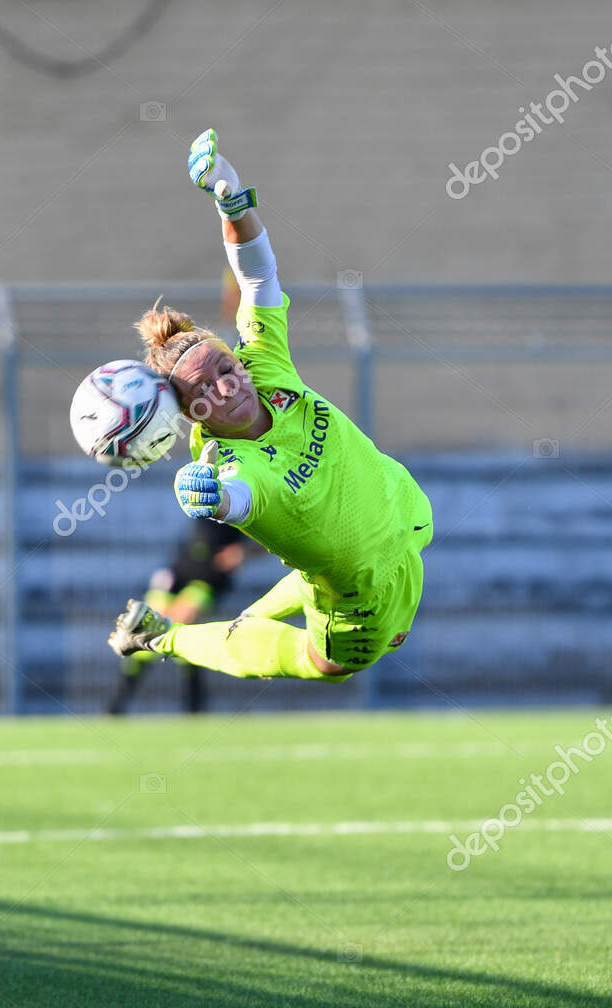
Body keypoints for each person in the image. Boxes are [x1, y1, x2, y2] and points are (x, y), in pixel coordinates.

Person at [108, 129, 433, 684]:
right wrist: (207, 496)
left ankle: (250, 615)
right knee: (325, 664)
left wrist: (229, 197)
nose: (228, 386)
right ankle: (161, 636)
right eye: (204, 390)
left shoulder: (264, 364)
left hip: (409, 513)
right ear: (191, 415)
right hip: (361, 601)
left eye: (225, 368)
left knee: (289, 588)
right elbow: (238, 498)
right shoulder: (231, 465)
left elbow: (257, 274)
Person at [106, 520, 253, 714]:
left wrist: (244, 552)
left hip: (209, 576)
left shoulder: (246, 502)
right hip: (179, 568)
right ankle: (115, 706)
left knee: (180, 626)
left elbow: (268, 541)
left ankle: (194, 707)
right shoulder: (205, 496)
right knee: (146, 627)